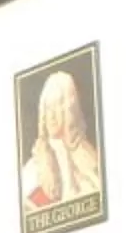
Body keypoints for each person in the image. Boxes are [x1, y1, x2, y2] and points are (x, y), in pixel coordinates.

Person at [21, 70, 102, 216]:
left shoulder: (88, 158)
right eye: (48, 107)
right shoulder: (34, 167)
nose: (51, 115)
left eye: (57, 106)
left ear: (69, 108)